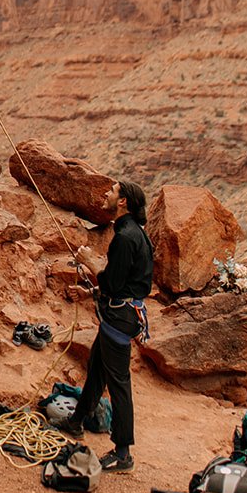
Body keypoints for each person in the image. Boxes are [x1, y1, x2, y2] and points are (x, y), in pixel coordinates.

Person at [62, 178, 154, 473]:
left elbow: (114, 283)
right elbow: (125, 283)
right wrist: (91, 293)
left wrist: (90, 262)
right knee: (98, 368)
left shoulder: (126, 238)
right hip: (124, 315)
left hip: (119, 318)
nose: (106, 193)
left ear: (124, 201)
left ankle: (123, 453)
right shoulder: (135, 234)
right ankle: (76, 422)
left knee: (119, 384)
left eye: (112, 191)